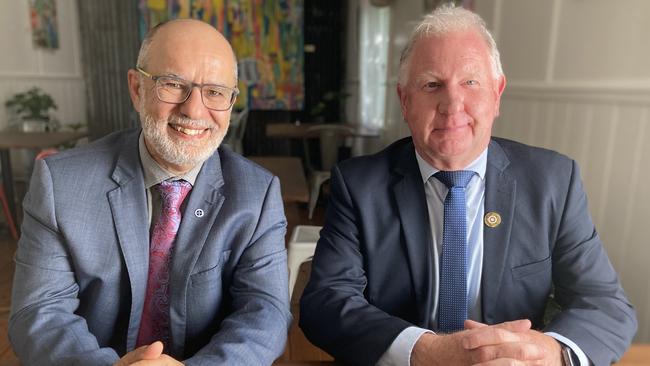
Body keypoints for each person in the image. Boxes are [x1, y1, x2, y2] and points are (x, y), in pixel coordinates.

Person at [300, 4, 636, 366]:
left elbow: (606, 304)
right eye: (432, 85)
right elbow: (326, 302)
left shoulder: (553, 180)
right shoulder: (359, 185)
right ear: (404, 100)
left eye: (470, 82)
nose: (452, 104)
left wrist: (551, 353)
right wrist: (431, 352)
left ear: (497, 94)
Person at [9, 19, 291, 365]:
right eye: (173, 84)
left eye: (215, 92)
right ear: (136, 88)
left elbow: (267, 313)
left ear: (231, 102)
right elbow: (39, 310)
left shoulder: (258, 194)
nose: (194, 110)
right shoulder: (60, 182)